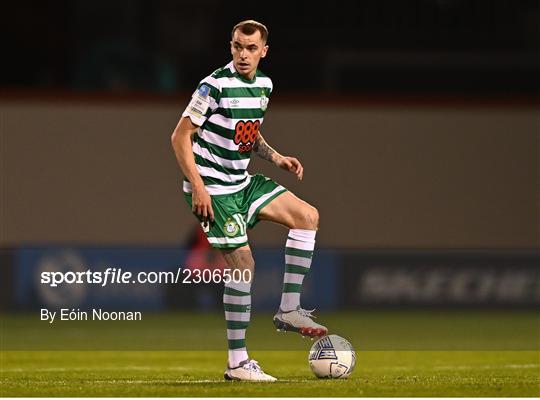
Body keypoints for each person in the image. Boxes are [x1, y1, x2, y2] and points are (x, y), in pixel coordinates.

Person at [171, 19, 327, 382]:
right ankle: (238, 363)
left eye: (251, 48)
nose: (243, 54)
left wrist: (277, 158)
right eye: (238, 46)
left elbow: (249, 134)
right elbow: (179, 137)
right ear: (231, 47)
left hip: (243, 183)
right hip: (214, 188)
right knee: (244, 264)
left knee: (307, 216)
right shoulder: (214, 85)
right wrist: (198, 185)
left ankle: (289, 310)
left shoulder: (264, 85)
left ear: (263, 51)